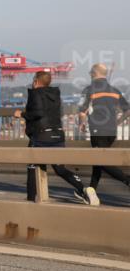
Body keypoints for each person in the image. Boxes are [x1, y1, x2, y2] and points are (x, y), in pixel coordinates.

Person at [16, 71, 97, 205]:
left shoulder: (35, 93)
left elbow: (38, 113)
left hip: (41, 136)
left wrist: (22, 114)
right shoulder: (56, 94)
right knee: (60, 169)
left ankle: (30, 200)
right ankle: (83, 189)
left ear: (36, 81)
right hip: (57, 134)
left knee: (32, 167)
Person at [78, 63, 130, 192]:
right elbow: (128, 110)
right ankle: (92, 191)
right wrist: (117, 122)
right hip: (112, 131)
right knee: (98, 163)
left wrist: (82, 123)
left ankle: (127, 180)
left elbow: (82, 111)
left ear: (94, 73)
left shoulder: (89, 89)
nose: (89, 74)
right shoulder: (115, 90)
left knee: (100, 160)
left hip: (98, 131)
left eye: (90, 72)